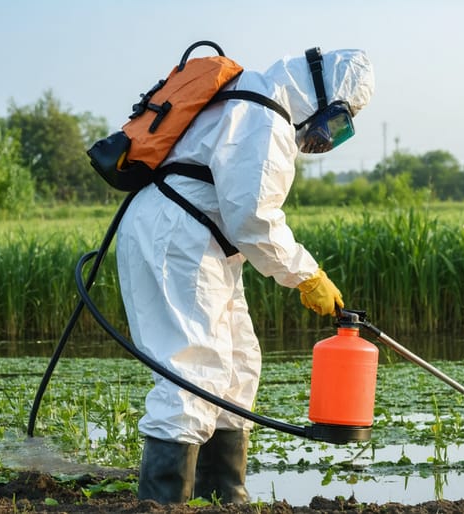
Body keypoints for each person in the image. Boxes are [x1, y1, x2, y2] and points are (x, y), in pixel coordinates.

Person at [115, 46, 375, 504]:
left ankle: (223, 495)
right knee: (192, 369)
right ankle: (163, 502)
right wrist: (307, 275)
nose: (329, 134)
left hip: (200, 241)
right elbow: (252, 220)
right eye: (337, 119)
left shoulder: (255, 98)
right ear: (323, 95)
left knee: (238, 364)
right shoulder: (263, 115)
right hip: (178, 240)